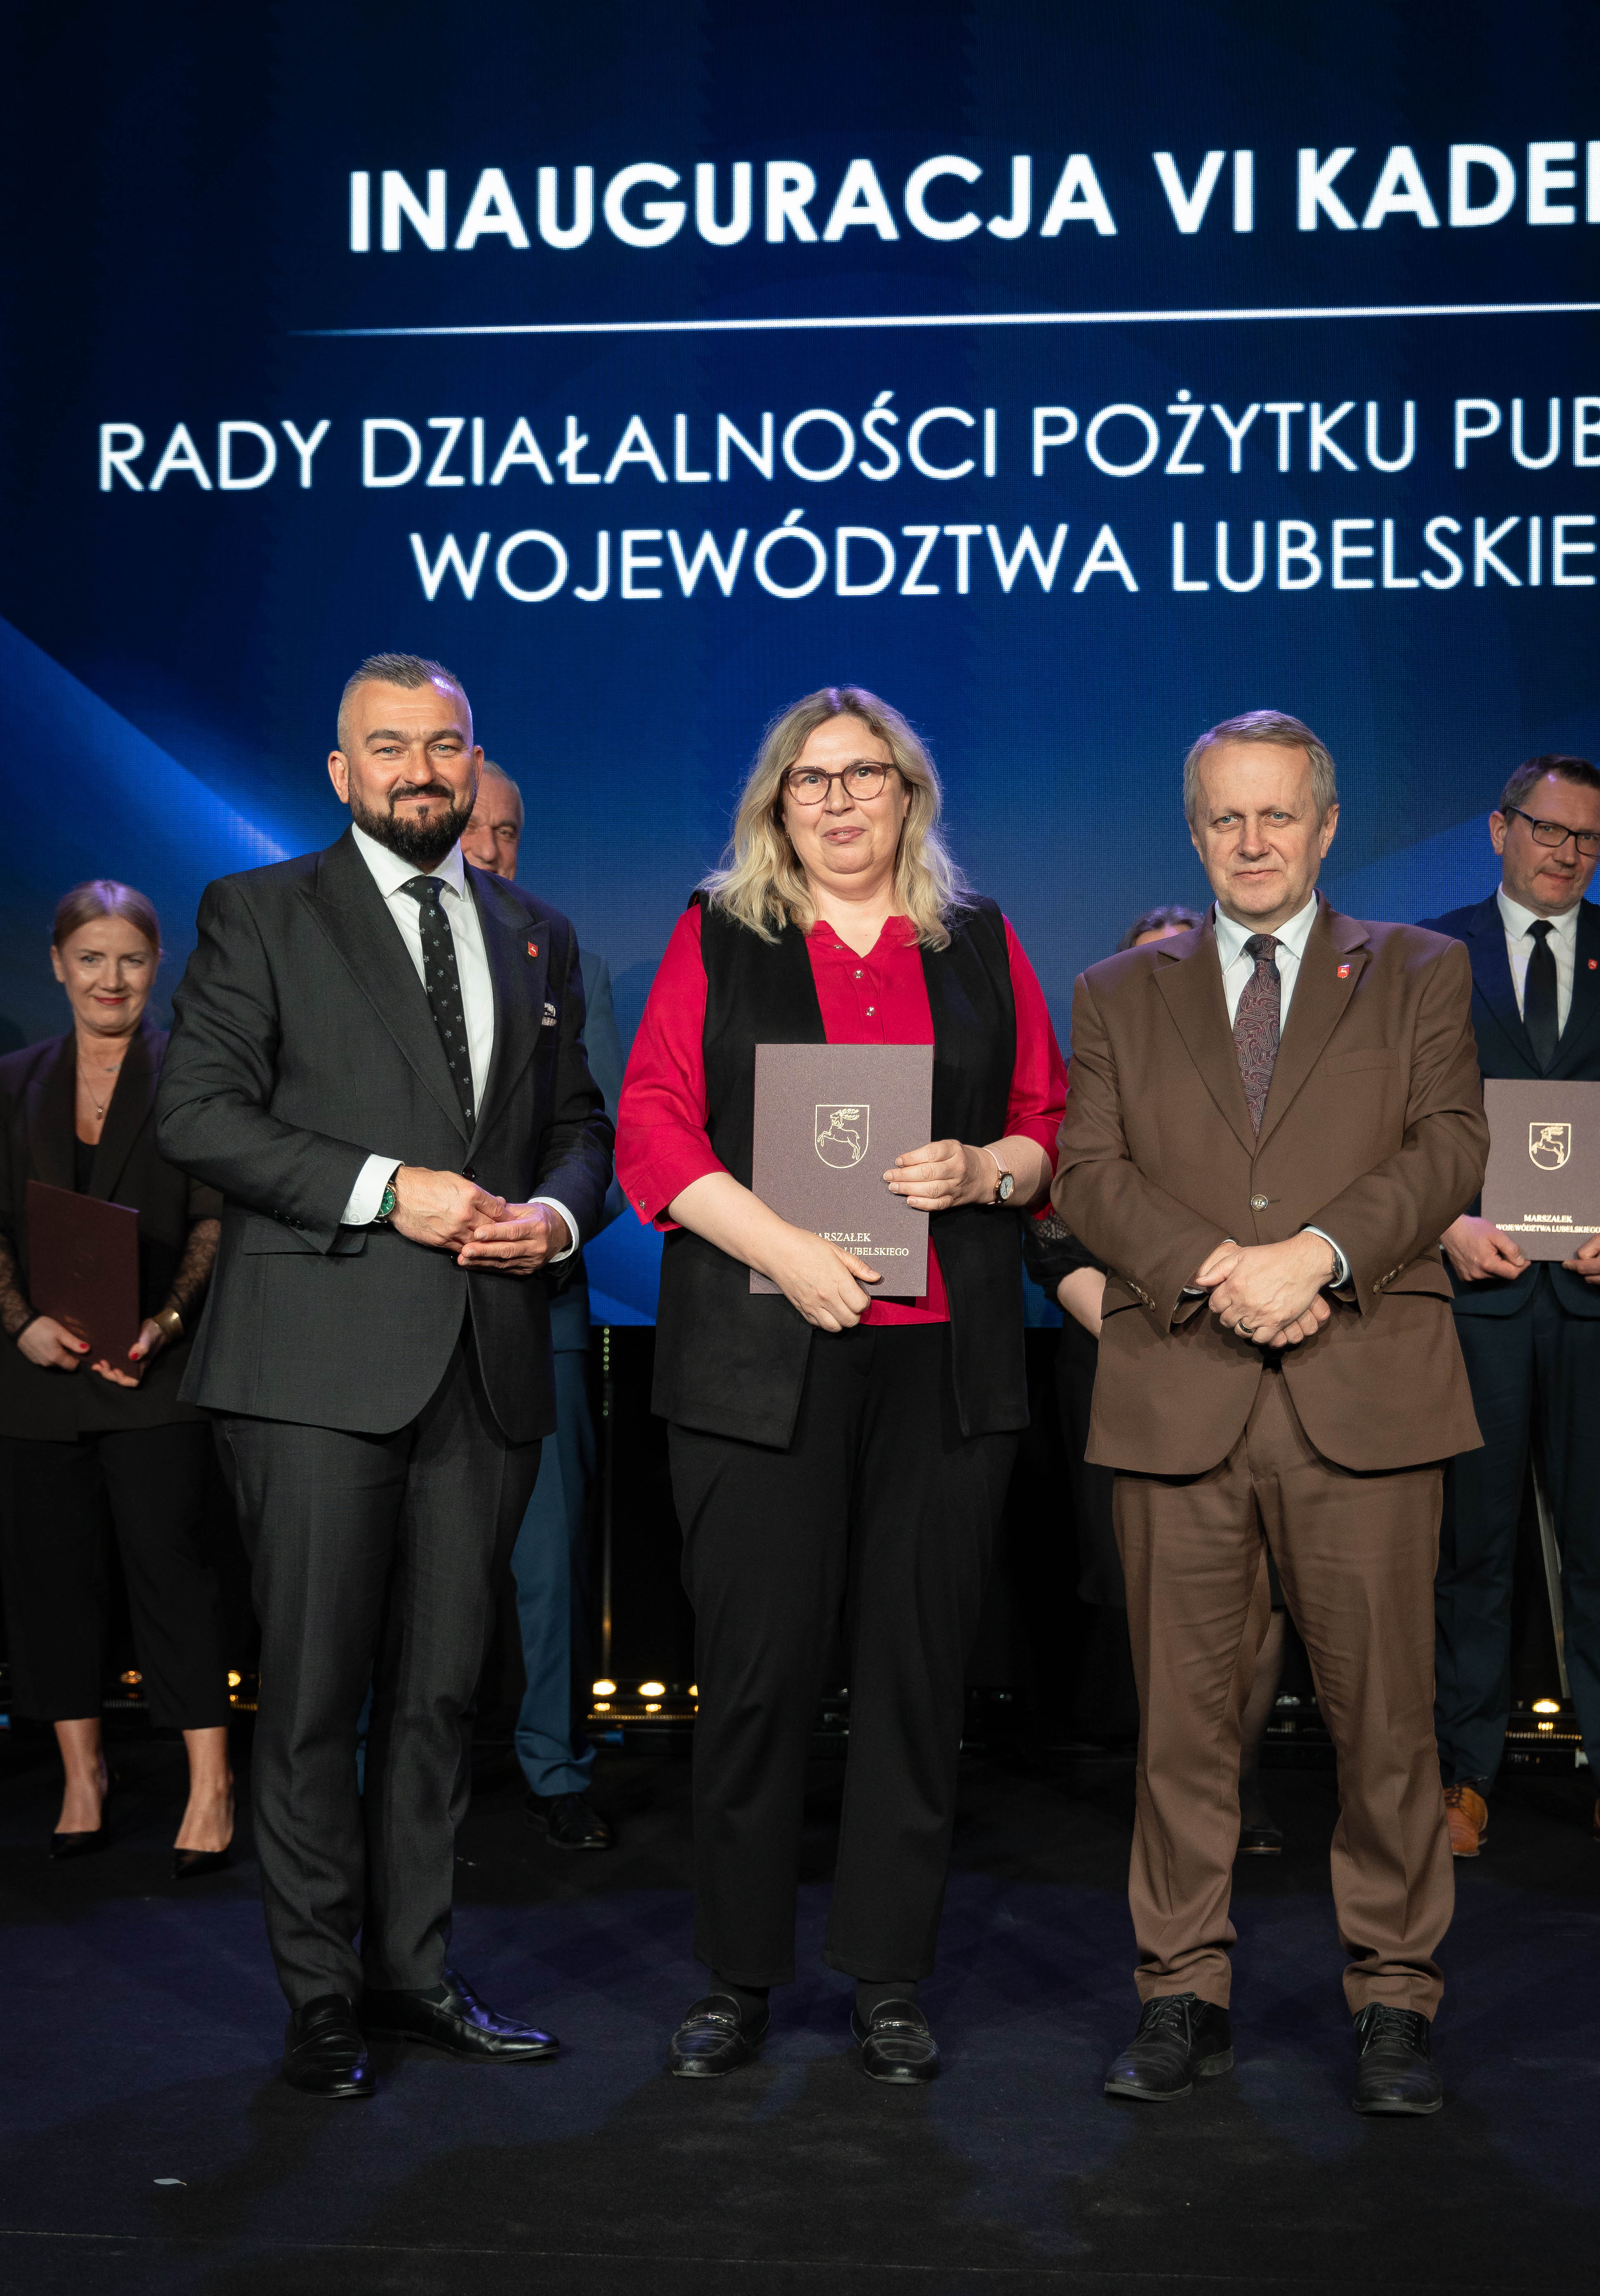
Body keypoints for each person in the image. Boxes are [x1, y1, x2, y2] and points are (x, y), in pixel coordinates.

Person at [157, 653, 614, 2100]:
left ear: (475, 762)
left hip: (485, 1364)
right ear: (341, 771)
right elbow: (197, 1113)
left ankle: (413, 1974)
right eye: (391, 745)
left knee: (437, 1698)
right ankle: (320, 2000)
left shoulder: (536, 934)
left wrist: (554, 1221)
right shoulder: (258, 912)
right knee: (311, 1699)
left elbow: (583, 1129)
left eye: (446, 744)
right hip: (312, 1366)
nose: (422, 769)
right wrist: (383, 1189)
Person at [617, 684, 1067, 2084]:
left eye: (866, 774)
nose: (839, 800)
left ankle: (888, 1977)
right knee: (757, 1682)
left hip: (945, 1366)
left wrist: (985, 1170)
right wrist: (787, 1251)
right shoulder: (719, 932)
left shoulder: (981, 941)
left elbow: (1045, 1126)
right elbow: (653, 1129)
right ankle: (738, 1978)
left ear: (909, 796)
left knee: (915, 1680)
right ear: (777, 803)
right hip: (760, 1362)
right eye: (810, 779)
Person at [1053, 709, 1487, 2117]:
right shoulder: (1117, 992)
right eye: (1226, 818)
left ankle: (1396, 2001)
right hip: (1182, 1396)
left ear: (1327, 825)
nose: (1253, 842)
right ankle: (1180, 1993)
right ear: (1196, 834)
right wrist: (1217, 1272)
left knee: (1388, 1730)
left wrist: (1317, 1256)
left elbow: (1450, 1147)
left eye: (1278, 815)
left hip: (1367, 1393)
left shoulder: (1420, 970)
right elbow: (1088, 1171)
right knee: (1183, 1731)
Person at [1422, 757, 1600, 1860]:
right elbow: (1388, 1117)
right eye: (1547, 829)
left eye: (1587, 837)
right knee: (1469, 1551)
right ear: (1498, 829)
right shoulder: (1425, 954)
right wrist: (1441, 1224)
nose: (1566, 852)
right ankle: (1459, 1778)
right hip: (1477, 1297)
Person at [1028, 898, 1287, 1848]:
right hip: (1121, 1361)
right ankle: (1174, 1797)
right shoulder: (1087, 1098)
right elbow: (1054, 1242)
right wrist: (1149, 1330)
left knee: (1258, 1592)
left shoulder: (1270, 1096)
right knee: (1154, 1594)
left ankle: (1235, 1790)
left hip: (1257, 1361)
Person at [0, 882, 234, 1871]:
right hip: (38, 1374)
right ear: (58, 964)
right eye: (91, 959)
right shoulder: (14, 1081)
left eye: (130, 959)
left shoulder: (192, 1076)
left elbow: (217, 1217)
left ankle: (211, 1787)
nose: (111, 979)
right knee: (51, 1578)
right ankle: (82, 1776)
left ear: (157, 966)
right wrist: (21, 1325)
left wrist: (165, 1322)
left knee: (172, 1574)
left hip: (157, 1369)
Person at [460, 758, 627, 1850]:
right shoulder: (372, 966)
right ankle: (391, 1771)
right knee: (395, 1564)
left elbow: (601, 1147)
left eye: (510, 831)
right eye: (473, 828)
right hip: (398, 1314)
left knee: (548, 1565)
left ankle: (555, 1768)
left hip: (542, 1308)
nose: (491, 849)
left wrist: (545, 1228)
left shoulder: (574, 965)